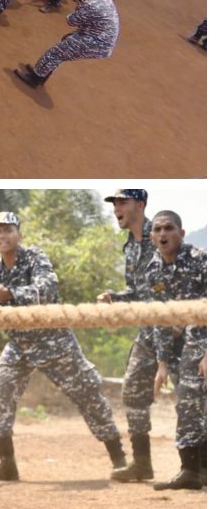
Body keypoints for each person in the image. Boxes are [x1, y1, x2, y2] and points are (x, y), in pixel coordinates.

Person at [0, 212, 126, 481]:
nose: (2, 236)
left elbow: (48, 288)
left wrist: (10, 293)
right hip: (19, 345)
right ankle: (6, 465)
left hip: (53, 341)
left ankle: (120, 460)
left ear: (19, 233)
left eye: (7, 230)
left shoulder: (34, 257)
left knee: (88, 395)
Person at [96, 190, 158, 483]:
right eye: (115, 204)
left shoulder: (161, 233)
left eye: (123, 203)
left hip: (180, 329)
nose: (116, 209)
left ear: (140, 205)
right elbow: (138, 293)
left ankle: (201, 466)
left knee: (194, 395)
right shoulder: (131, 247)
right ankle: (142, 464)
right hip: (149, 331)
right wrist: (114, 298)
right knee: (133, 391)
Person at [145, 211, 207, 491]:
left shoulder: (201, 260)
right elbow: (162, 319)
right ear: (151, 237)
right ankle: (193, 471)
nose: (162, 234)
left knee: (195, 400)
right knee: (188, 403)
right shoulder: (153, 269)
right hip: (186, 342)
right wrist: (162, 363)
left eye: (168, 228)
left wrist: (209, 352)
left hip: (204, 336)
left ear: (181, 233)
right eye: (157, 229)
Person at [13, 0, 120, 88]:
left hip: (95, 41)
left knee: (54, 53)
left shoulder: (90, 4)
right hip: (98, 39)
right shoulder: (105, 0)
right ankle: (40, 74)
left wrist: (78, 6)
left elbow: (71, 20)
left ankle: (35, 78)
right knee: (59, 54)